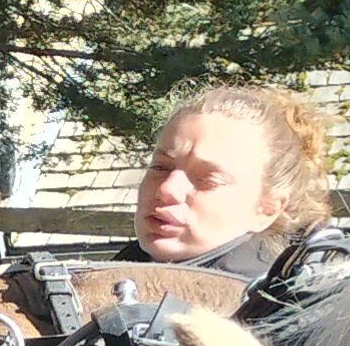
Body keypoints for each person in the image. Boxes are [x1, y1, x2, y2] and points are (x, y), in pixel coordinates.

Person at [129, 82, 336, 278]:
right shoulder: (126, 270)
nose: (167, 188)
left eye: (208, 179)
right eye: (160, 167)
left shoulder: (256, 301)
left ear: (267, 210)